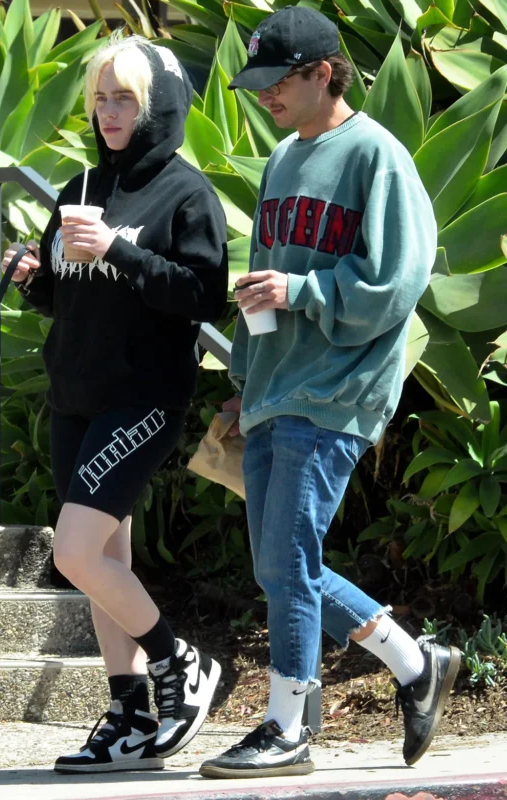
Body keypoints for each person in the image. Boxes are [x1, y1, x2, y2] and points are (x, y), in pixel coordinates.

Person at [199, 6, 459, 779]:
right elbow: (263, 280)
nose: (263, 97)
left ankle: (287, 726)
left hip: (339, 390)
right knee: (280, 567)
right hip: (277, 388)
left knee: (287, 559)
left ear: (323, 73)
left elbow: (397, 283)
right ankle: (418, 663)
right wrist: (244, 382)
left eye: (277, 83)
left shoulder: (378, 157)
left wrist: (302, 289)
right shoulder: (281, 160)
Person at [0, 33, 229, 773]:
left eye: (124, 97)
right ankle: (128, 710)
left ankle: (179, 664)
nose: (108, 111)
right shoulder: (80, 189)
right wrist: (36, 278)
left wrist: (120, 251)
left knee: (73, 553)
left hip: (144, 397)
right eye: (100, 98)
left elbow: (202, 296)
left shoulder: (186, 193)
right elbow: (69, 296)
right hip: (76, 395)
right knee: (103, 559)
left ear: (156, 105)